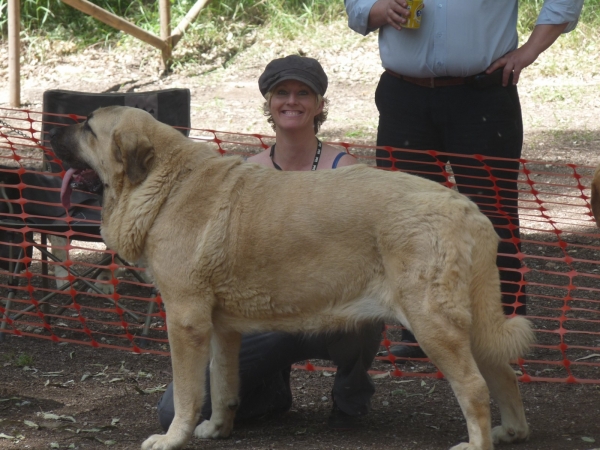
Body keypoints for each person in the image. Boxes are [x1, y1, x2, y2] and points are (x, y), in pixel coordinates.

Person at [345, 0, 584, 359]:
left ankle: (502, 332)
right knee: (409, 221)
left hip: (484, 95)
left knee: (492, 214)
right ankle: (423, 331)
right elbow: (357, 6)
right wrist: (376, 10)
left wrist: (530, 51)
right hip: (404, 96)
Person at [157, 55, 384, 431]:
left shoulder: (345, 170)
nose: (291, 101)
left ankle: (350, 401)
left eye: (303, 93)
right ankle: (269, 392)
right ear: (269, 103)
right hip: (261, 318)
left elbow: (367, 252)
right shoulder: (246, 173)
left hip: (331, 309)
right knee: (172, 415)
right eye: (282, 93)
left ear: (319, 105)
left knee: (370, 301)